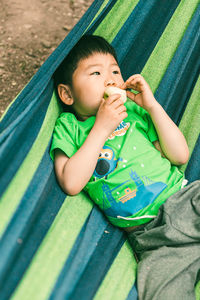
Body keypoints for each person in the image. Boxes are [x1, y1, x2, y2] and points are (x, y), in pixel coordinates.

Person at [50, 35, 200, 300]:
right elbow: (71, 183)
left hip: (186, 201)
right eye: (96, 72)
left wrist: (152, 107)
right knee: (162, 290)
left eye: (115, 71)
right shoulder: (70, 127)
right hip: (152, 237)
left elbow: (179, 155)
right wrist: (102, 127)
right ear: (67, 94)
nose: (110, 80)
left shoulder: (134, 111)